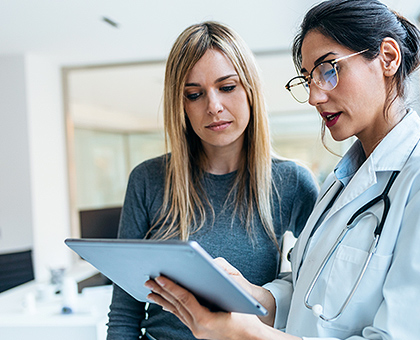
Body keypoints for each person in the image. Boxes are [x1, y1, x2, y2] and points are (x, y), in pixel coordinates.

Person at [144, 1, 420, 339]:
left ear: (387, 57)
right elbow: (307, 290)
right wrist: (251, 295)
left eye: (329, 69)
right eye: (308, 78)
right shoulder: (341, 184)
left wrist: (247, 335)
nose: (314, 96)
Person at [106, 21, 319, 340]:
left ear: (250, 90)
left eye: (228, 87)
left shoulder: (291, 182)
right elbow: (125, 312)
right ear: (182, 106)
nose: (213, 107)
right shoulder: (149, 180)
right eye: (194, 94)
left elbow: (318, 290)